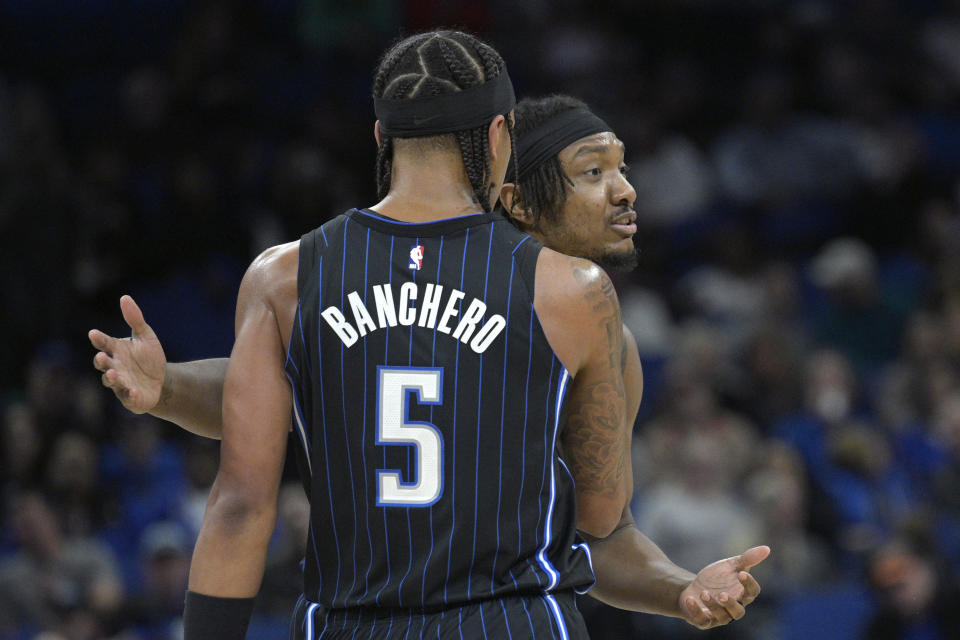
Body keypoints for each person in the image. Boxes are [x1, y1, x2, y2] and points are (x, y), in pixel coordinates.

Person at [91, 78, 767, 636]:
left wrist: (683, 590)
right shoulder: (412, 293)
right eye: (593, 172)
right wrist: (171, 387)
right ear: (518, 204)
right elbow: (274, 397)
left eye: (622, 166)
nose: (625, 190)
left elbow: (604, 539)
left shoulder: (604, 340)